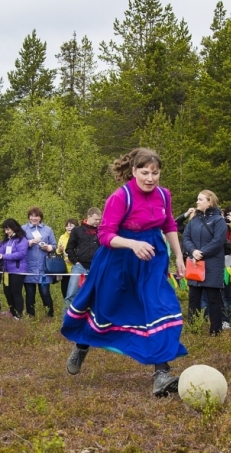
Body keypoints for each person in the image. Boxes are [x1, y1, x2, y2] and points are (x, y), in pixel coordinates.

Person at [61, 148, 187, 397]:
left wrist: (180, 256)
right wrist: (132, 244)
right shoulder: (121, 197)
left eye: (155, 173)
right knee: (105, 310)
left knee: (160, 307)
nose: (150, 178)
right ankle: (82, 344)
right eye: (144, 172)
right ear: (133, 171)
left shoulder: (164, 195)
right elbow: (105, 234)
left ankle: (161, 373)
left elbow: (169, 224)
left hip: (151, 261)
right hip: (117, 261)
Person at [183, 190, 228, 335]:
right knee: (193, 299)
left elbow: (218, 241)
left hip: (212, 264)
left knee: (213, 299)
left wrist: (201, 253)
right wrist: (193, 251)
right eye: (197, 199)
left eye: (200, 199)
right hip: (195, 264)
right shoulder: (194, 219)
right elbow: (186, 237)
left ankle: (215, 330)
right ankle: (194, 329)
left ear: (209, 201)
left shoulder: (218, 220)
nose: (197, 202)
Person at [22, 207, 56, 317]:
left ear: (40, 217)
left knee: (45, 293)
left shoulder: (48, 230)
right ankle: (30, 315)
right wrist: (30, 242)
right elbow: (18, 246)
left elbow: (54, 245)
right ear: (29, 217)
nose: (34, 218)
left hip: (44, 267)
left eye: (36, 216)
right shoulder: (23, 229)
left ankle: (49, 315)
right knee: (30, 294)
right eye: (31, 216)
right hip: (28, 267)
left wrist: (48, 247)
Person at [64, 208, 101, 309]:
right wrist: (75, 262)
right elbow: (69, 248)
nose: (98, 222)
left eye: (99, 220)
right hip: (79, 267)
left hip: (95, 267)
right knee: (71, 295)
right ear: (88, 217)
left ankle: (90, 321)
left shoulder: (101, 231)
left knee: (95, 295)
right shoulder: (77, 230)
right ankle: (67, 321)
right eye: (95, 219)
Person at [0, 219, 29, 319]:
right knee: (7, 292)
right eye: (5, 230)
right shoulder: (6, 240)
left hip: (18, 271)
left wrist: (4, 256)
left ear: (14, 227)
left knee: (16, 292)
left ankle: (18, 314)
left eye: (8, 229)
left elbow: (21, 254)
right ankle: (12, 311)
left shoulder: (22, 240)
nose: (6, 231)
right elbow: (1, 252)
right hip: (6, 271)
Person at [56, 218, 78, 301]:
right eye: (67, 226)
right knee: (65, 291)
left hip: (76, 268)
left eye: (71, 226)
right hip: (64, 268)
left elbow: (81, 251)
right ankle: (66, 311)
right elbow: (58, 252)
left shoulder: (79, 237)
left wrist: (72, 259)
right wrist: (59, 250)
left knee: (75, 291)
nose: (69, 228)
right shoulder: (62, 237)